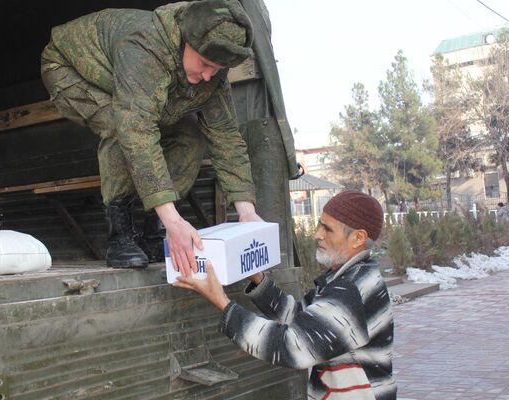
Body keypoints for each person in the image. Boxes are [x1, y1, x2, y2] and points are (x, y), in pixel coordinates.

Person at [40, 0, 261, 272]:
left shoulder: (212, 72)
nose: (207, 76)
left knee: (190, 136)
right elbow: (137, 130)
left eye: (216, 69)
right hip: (69, 68)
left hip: (130, 80)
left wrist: (246, 210)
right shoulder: (144, 45)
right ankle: (120, 234)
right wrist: (174, 219)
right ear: (185, 41)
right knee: (118, 123)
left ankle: (155, 232)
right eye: (204, 64)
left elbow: (225, 135)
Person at [175, 190, 397, 399]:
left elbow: (292, 347)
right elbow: (302, 318)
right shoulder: (353, 275)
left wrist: (223, 303)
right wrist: (258, 280)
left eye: (327, 229)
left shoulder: (351, 290)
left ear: (358, 238)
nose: (317, 234)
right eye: (320, 225)